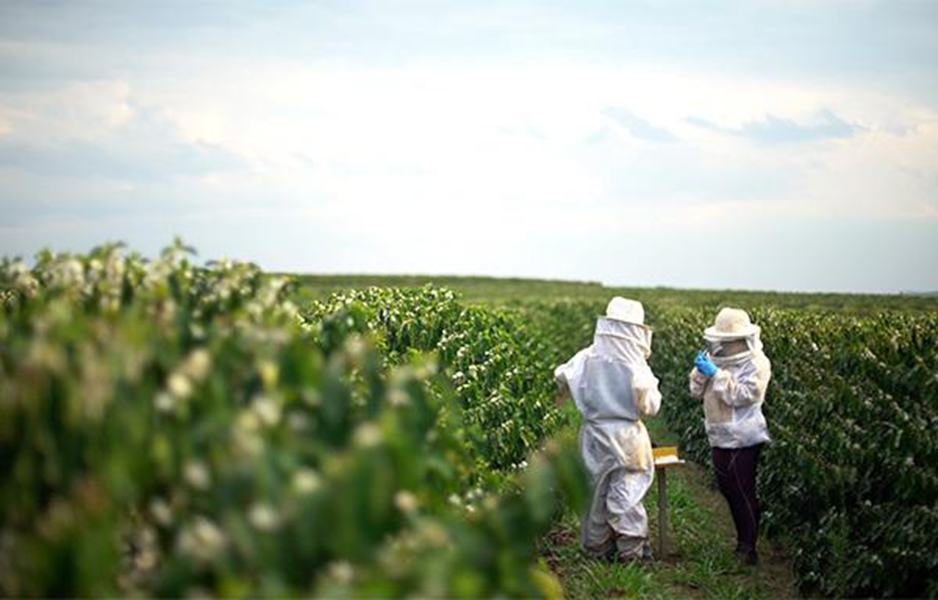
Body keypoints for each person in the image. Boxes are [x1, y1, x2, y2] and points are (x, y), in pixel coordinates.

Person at [554, 297, 662, 563]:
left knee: (593, 492)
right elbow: (651, 407)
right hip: (628, 438)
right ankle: (631, 551)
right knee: (627, 492)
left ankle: (597, 548)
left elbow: (560, 376)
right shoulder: (637, 365)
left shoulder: (587, 356)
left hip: (594, 435)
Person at [689, 307, 771, 565]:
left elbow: (744, 396)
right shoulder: (718, 358)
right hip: (718, 433)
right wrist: (701, 372)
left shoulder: (757, 363)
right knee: (727, 488)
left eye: (729, 341)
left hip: (745, 436)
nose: (724, 346)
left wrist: (717, 374)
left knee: (743, 489)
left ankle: (748, 548)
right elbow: (695, 391)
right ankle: (741, 542)